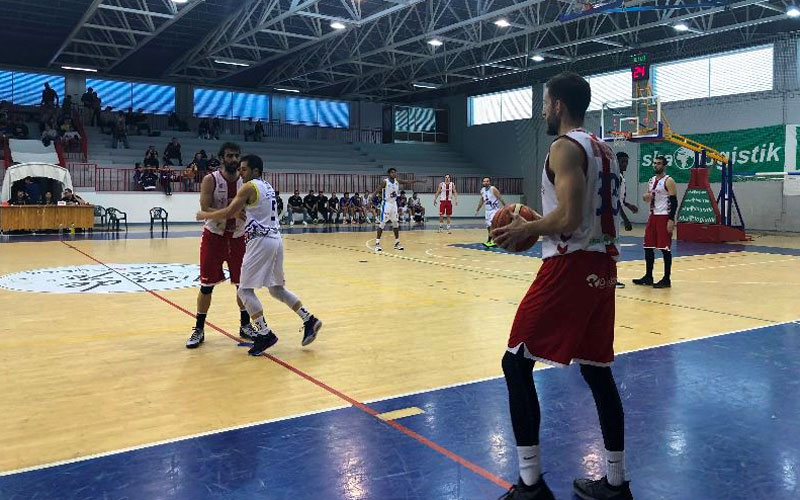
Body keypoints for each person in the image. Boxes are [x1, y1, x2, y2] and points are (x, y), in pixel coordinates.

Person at [491, 71, 631, 500]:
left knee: (515, 364)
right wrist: (538, 223)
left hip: (570, 264)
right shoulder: (605, 149)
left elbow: (569, 219)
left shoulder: (564, 147)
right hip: (603, 267)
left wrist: (525, 228)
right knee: (597, 371)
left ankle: (531, 486)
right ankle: (615, 482)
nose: (542, 110)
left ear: (558, 106)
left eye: (545, 102)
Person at [195, 154, 322, 356]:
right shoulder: (267, 186)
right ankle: (309, 319)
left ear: (255, 171)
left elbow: (228, 212)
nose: (240, 172)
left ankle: (264, 333)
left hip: (260, 241)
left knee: (244, 291)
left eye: (244, 169)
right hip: (276, 240)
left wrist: (204, 215)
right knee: (276, 289)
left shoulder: (248, 186)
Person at [185, 142, 257, 349]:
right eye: (229, 156)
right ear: (221, 158)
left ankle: (245, 326)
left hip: (238, 237)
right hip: (214, 236)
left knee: (242, 286)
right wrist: (230, 212)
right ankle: (198, 328)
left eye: (237, 156)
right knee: (206, 286)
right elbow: (204, 209)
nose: (234, 159)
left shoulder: (248, 183)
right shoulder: (211, 179)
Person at [632, 155, 676, 289]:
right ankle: (648, 276)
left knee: (664, 248)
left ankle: (666, 278)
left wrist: (671, 219)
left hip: (663, 216)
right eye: (654, 163)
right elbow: (649, 197)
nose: (656, 165)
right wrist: (646, 198)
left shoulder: (668, 180)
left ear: (664, 166)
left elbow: (674, 201)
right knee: (648, 246)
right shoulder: (651, 181)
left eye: (659, 163)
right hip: (652, 216)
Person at [370, 168, 422, 252]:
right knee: (382, 223)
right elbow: (377, 190)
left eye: (395, 172)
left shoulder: (397, 180)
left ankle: (397, 243)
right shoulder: (385, 181)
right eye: (392, 172)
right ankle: (377, 243)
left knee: (395, 223)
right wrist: (370, 199)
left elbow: (407, 182)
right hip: (386, 204)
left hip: (394, 204)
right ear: (389, 174)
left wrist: (418, 180)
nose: (394, 174)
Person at [615, 152, 639, 289]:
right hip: (613, 217)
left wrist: (629, 206)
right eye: (622, 162)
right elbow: (615, 201)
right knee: (613, 249)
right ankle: (612, 278)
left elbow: (619, 199)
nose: (625, 165)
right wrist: (626, 219)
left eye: (626, 162)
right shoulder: (616, 177)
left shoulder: (620, 177)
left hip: (615, 216)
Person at [475, 177, 507, 247]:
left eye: (487, 181)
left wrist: (505, 207)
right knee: (488, 226)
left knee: (493, 225)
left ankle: (490, 240)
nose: (486, 182)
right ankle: (493, 239)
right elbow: (482, 200)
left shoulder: (493, 189)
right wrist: (478, 209)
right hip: (487, 211)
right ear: (482, 182)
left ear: (489, 182)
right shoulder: (482, 190)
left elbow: (500, 197)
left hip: (494, 210)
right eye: (484, 181)